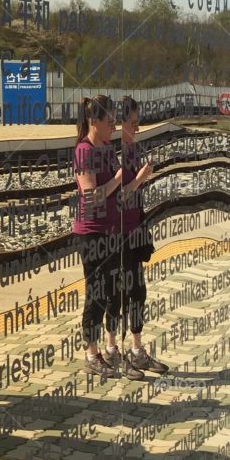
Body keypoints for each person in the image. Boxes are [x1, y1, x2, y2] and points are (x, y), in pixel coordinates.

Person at [73, 94, 150, 378]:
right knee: (95, 294)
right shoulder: (84, 150)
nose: (113, 128)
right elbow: (92, 196)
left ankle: (108, 350)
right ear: (94, 122)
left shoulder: (104, 147)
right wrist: (120, 179)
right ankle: (90, 353)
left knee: (108, 293)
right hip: (92, 232)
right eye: (110, 122)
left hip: (111, 231)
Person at [105, 97, 168, 375]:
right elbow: (117, 196)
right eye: (133, 123)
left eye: (137, 123)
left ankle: (137, 348)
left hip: (134, 229)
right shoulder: (111, 152)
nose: (138, 128)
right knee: (116, 293)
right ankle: (110, 349)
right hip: (116, 234)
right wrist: (141, 178)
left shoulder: (132, 149)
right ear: (120, 124)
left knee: (137, 292)